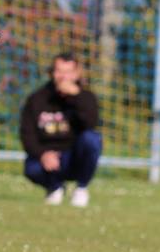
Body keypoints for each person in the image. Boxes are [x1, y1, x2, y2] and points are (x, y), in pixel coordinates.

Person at [20, 52, 101, 207]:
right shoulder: (37, 99)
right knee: (31, 168)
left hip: (74, 157)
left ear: (77, 74)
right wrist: (42, 154)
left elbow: (91, 124)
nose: (63, 77)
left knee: (92, 139)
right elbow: (27, 134)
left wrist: (76, 97)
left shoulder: (86, 97)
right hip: (48, 158)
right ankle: (55, 187)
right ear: (52, 72)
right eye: (59, 71)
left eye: (68, 72)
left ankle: (81, 188)